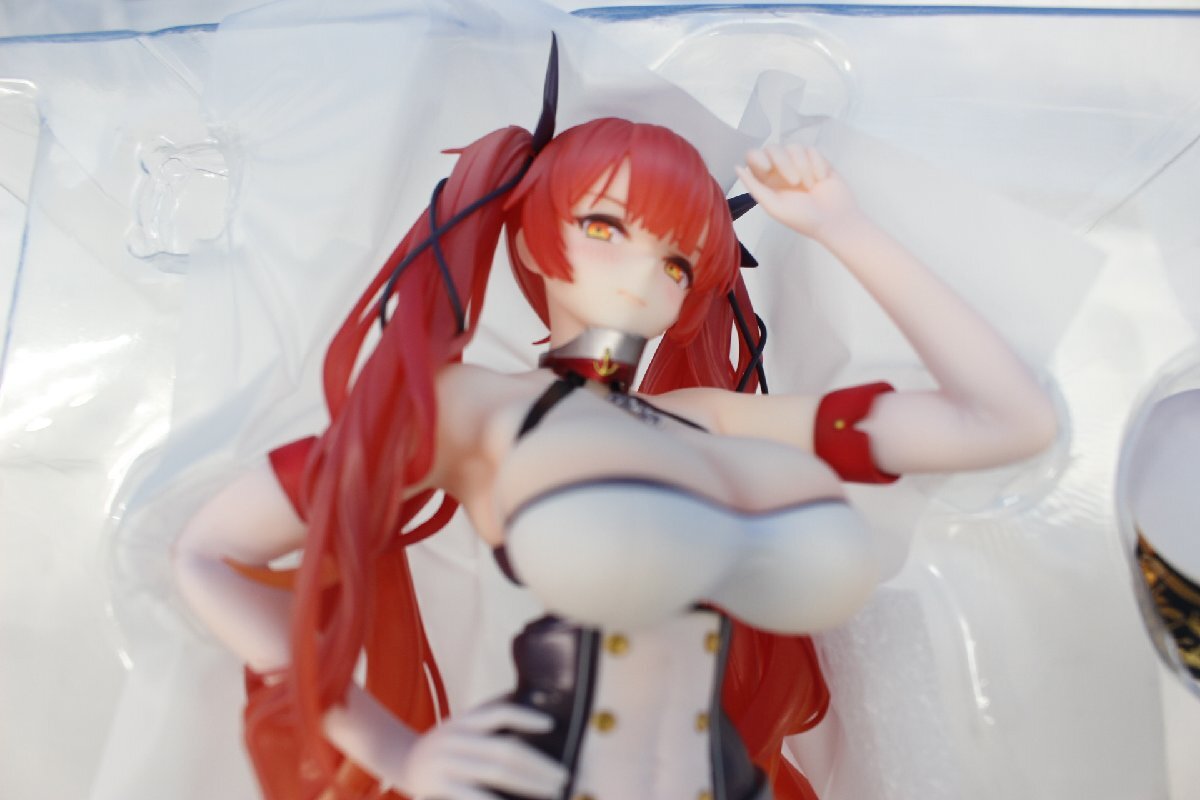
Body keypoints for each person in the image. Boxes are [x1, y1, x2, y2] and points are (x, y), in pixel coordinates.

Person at [171, 104, 1056, 799]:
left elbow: (1006, 423)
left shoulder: (709, 423)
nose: (642, 272)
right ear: (531, 237)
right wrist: (390, 748)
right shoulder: (475, 407)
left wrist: (842, 226)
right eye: (604, 227)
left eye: (678, 262)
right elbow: (210, 553)